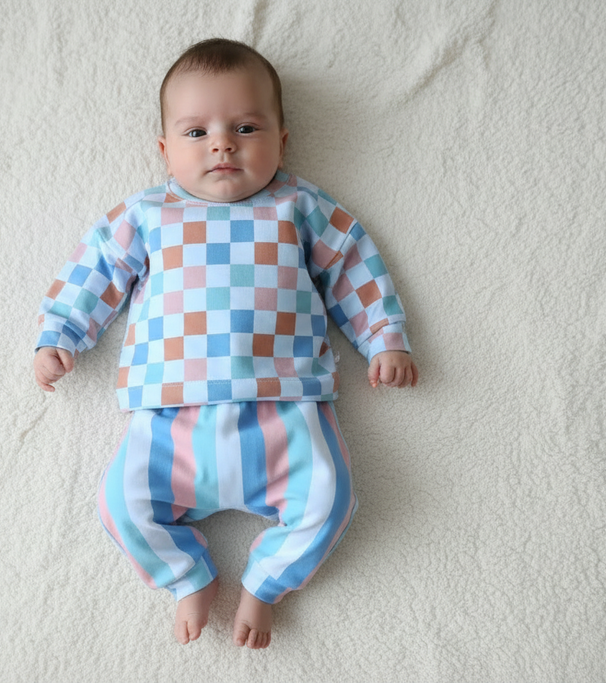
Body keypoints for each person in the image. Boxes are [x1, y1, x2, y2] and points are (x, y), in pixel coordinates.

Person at [34, 38, 417, 650]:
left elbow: (353, 266)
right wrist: (60, 333)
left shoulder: (297, 206)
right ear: (163, 149)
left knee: (330, 498)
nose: (222, 144)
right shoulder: (148, 213)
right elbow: (95, 270)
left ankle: (265, 584)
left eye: (245, 126)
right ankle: (186, 574)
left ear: (283, 140)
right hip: (168, 416)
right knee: (121, 505)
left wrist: (384, 339)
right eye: (195, 133)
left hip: (284, 407)